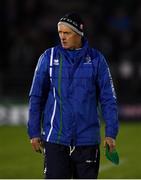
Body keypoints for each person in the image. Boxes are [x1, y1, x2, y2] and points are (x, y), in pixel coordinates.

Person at [27, 12, 119, 179]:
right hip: (56, 140)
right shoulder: (48, 57)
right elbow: (36, 97)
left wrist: (111, 133)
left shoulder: (97, 59)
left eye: (67, 33)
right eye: (60, 33)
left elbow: (108, 99)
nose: (62, 37)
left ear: (79, 33)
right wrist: (34, 131)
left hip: (87, 142)